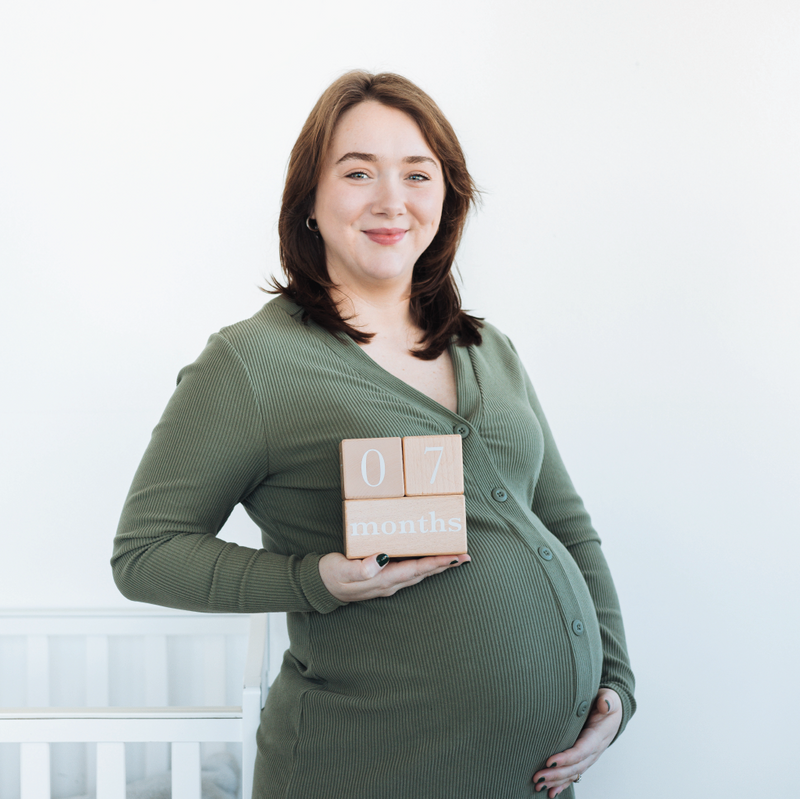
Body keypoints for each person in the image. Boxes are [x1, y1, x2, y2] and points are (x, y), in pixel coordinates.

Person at [112, 70, 635, 799]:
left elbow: (566, 525)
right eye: (359, 172)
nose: (392, 200)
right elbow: (145, 553)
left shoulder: (489, 349)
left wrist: (615, 683)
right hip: (362, 772)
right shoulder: (252, 363)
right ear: (310, 202)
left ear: (446, 197)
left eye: (417, 174)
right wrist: (314, 577)